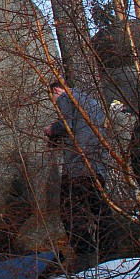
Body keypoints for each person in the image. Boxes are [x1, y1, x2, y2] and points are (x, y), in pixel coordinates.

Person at [44, 81, 112, 265]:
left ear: (56, 90)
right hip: (96, 164)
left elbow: (67, 125)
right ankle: (111, 251)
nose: (55, 103)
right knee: (99, 209)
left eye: (53, 98)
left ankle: (85, 254)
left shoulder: (66, 97)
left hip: (78, 166)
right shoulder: (89, 100)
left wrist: (51, 130)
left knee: (69, 211)